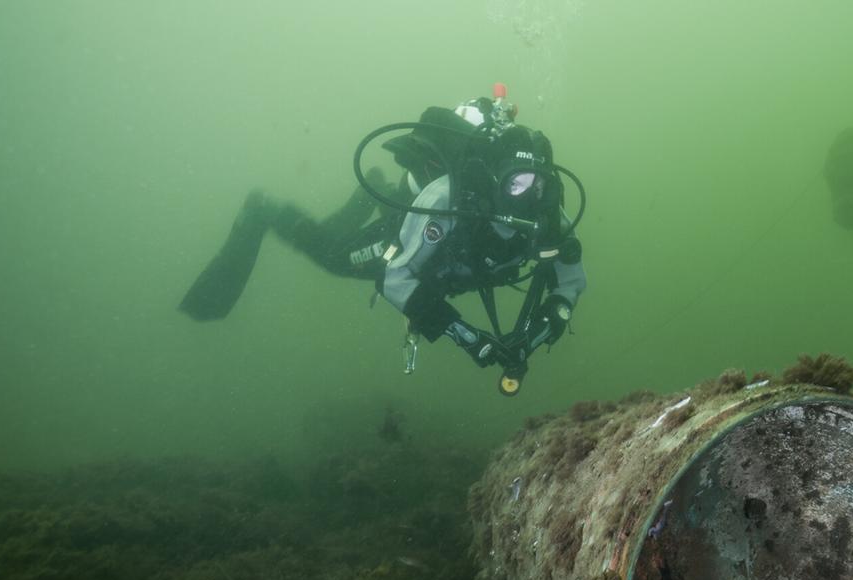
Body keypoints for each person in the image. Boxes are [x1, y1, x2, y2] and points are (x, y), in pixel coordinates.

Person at [180, 84, 587, 395]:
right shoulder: (447, 200)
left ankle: (372, 190)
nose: (529, 197)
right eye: (517, 183)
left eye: (541, 186)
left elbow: (571, 280)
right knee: (335, 258)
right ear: (495, 181)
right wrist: (464, 335)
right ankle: (265, 210)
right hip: (410, 237)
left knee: (340, 248)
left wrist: (542, 330)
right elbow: (397, 279)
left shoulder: (547, 214)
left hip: (454, 269)